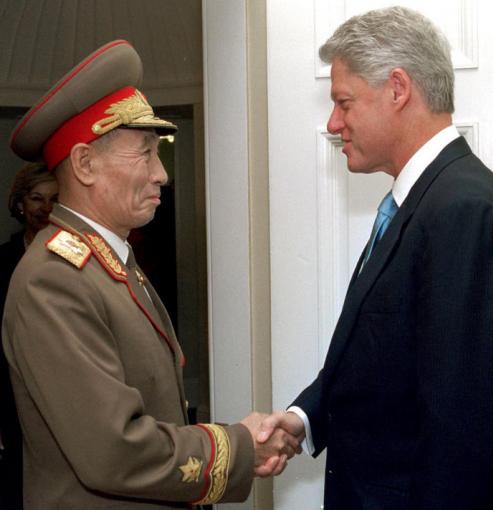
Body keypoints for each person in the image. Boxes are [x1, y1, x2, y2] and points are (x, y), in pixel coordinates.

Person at [257, 6, 493, 509]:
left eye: (344, 102)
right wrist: (304, 418)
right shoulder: (422, 201)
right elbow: (383, 363)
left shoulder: (465, 213)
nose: (333, 123)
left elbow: (465, 443)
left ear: (398, 88)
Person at [3, 40, 297, 510]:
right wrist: (239, 446)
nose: (161, 174)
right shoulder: (54, 279)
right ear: (84, 164)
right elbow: (113, 449)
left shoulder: (107, 262)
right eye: (145, 154)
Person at [0, 163, 58, 510]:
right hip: (12, 390)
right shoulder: (3, 260)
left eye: (54, 199)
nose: (45, 208)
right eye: (37, 198)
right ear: (20, 204)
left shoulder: (80, 257)